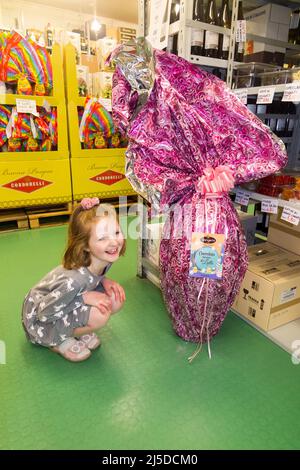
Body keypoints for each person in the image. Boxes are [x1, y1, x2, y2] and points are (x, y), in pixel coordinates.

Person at [22, 197, 126, 362]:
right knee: (100, 315)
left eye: (116, 232)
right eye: (102, 238)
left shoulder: (103, 258)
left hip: (67, 300)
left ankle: (75, 327)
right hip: (40, 323)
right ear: (85, 245)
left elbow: (92, 278)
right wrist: (85, 297)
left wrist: (105, 280)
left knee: (115, 298)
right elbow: (44, 313)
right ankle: (58, 341)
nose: (114, 242)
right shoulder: (74, 281)